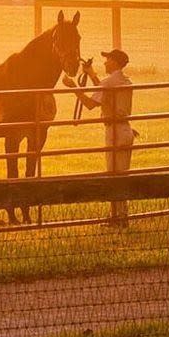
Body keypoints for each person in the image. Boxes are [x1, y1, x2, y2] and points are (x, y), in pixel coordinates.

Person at [63, 49, 137, 224]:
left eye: (108, 59)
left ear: (115, 62)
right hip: (125, 129)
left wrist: (74, 88)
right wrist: (91, 74)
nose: (105, 62)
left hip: (114, 132)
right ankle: (119, 215)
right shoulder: (123, 80)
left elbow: (90, 104)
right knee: (120, 175)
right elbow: (104, 91)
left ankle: (119, 217)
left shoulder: (109, 82)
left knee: (114, 176)